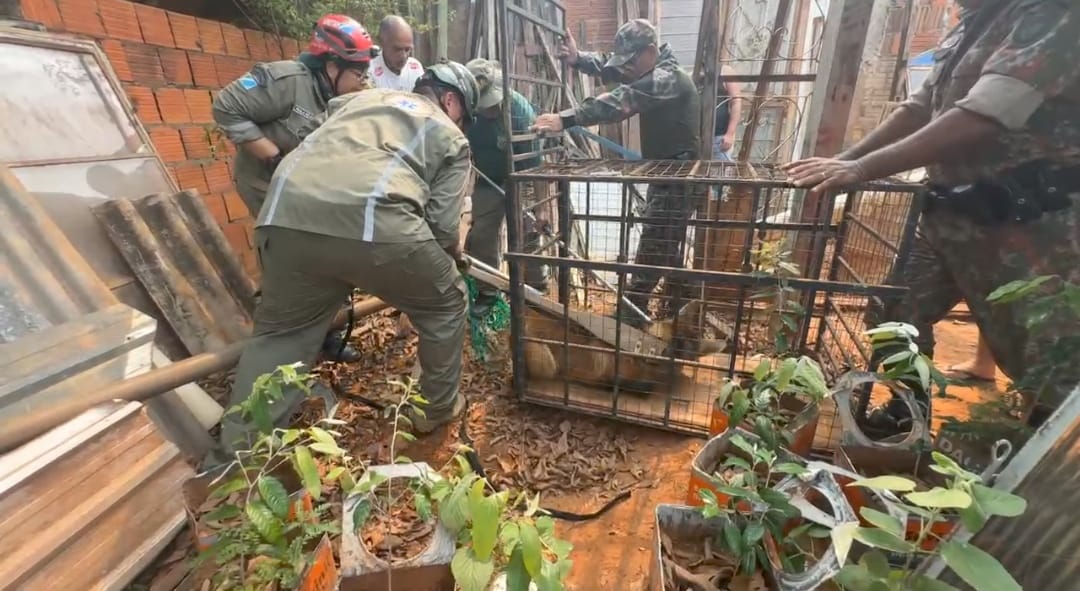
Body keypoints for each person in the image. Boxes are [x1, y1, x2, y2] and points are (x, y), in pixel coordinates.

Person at [783, 0, 1080, 430]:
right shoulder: (967, 25)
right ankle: (908, 414)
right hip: (950, 215)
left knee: (1042, 354)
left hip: (1029, 225)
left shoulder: (1049, 13)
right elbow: (920, 107)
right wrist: (845, 160)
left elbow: (983, 115)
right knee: (895, 310)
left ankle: (1037, 467)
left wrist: (862, 169)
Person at [210, 60, 479, 461]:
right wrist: (452, 256)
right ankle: (435, 412)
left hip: (282, 215)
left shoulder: (353, 101)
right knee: (446, 303)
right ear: (452, 100)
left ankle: (237, 459)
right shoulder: (448, 135)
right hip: (374, 223)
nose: (462, 124)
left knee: (280, 336)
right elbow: (441, 230)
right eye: (465, 117)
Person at [212, 13, 377, 363]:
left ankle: (325, 333)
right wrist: (273, 157)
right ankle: (279, 344)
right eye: (358, 72)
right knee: (291, 255)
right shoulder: (286, 80)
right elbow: (226, 107)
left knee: (327, 252)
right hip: (266, 183)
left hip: (308, 185)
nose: (364, 81)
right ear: (332, 66)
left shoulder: (345, 93)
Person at [532, 19, 702, 325]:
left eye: (629, 62)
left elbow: (624, 99)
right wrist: (578, 59)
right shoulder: (654, 68)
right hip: (667, 173)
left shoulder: (668, 78)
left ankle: (630, 316)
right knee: (666, 244)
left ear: (650, 51)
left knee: (655, 245)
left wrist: (566, 118)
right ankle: (683, 308)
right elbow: (617, 70)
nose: (624, 70)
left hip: (678, 178)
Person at [463, 58, 548, 316]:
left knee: (529, 232)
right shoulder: (465, 110)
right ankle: (488, 290)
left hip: (521, 178)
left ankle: (536, 291)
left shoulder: (520, 114)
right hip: (487, 178)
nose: (488, 110)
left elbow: (536, 167)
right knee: (481, 235)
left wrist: (541, 209)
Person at [370, 15, 424, 92]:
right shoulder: (370, 73)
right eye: (397, 49)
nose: (403, 56)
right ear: (382, 42)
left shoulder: (416, 68)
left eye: (407, 49)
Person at [712, 64, 742, 161]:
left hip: (720, 137)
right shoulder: (693, 75)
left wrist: (730, 134)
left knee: (721, 172)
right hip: (698, 139)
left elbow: (736, 101)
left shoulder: (725, 71)